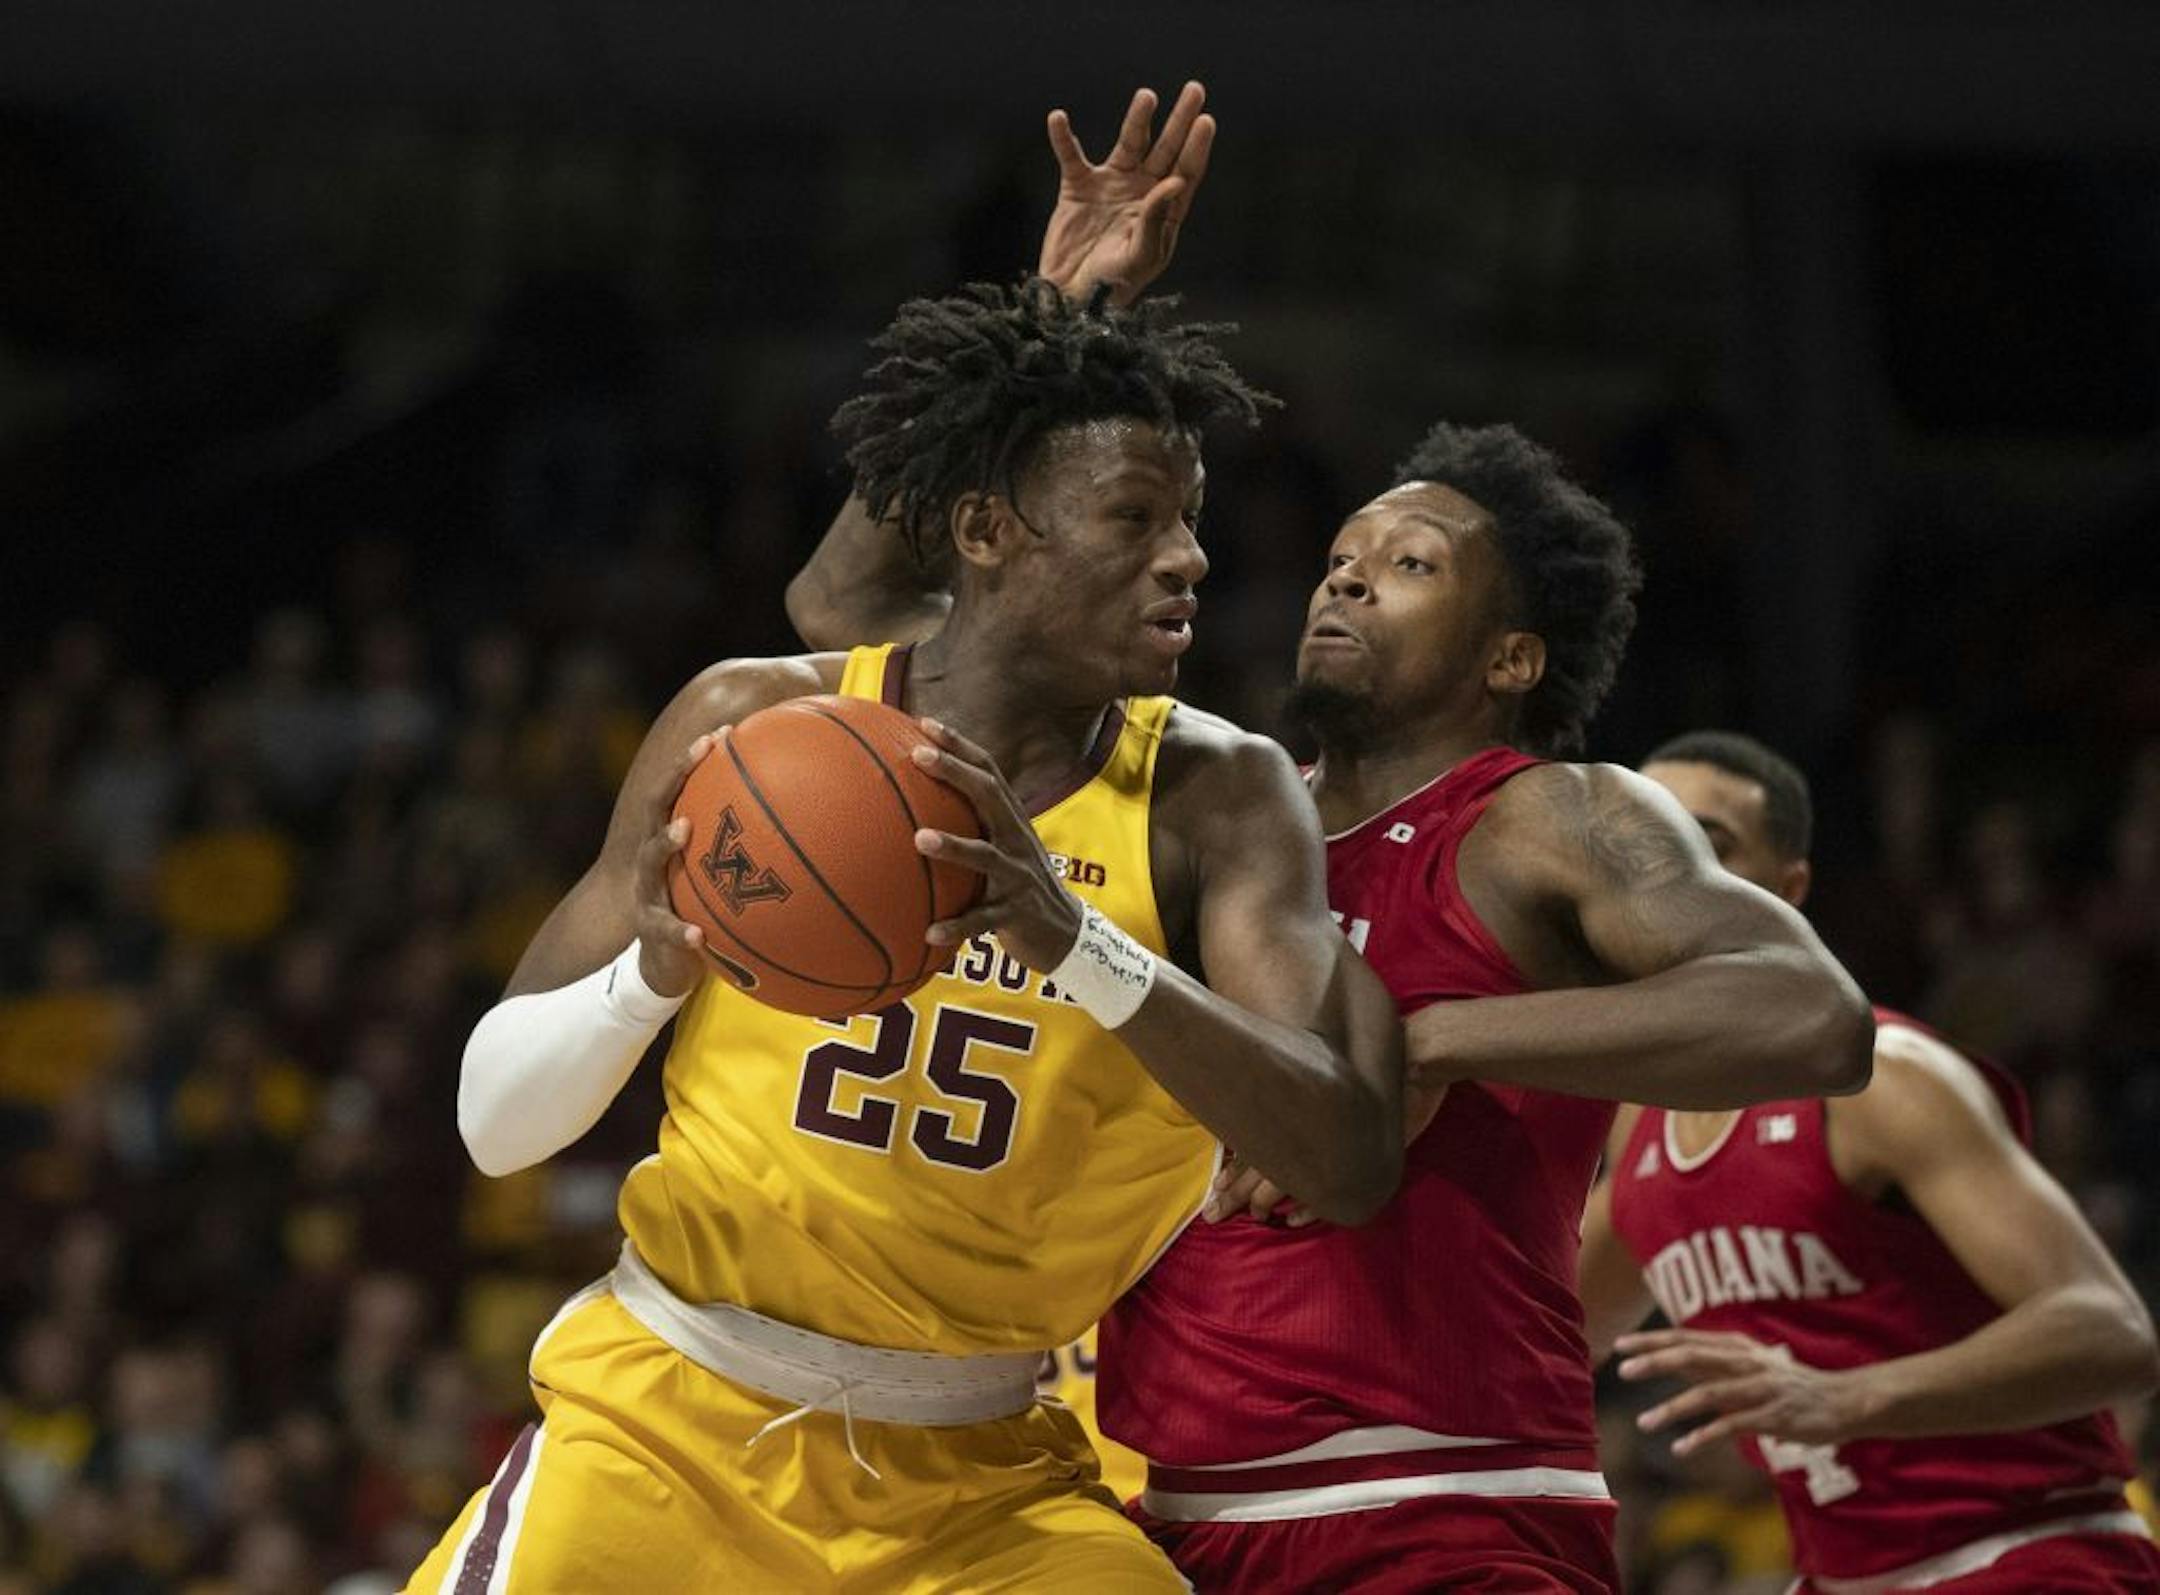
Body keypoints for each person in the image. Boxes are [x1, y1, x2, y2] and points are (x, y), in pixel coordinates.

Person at [790, 89, 1876, 1593]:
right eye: (1344, 554)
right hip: (1162, 1512)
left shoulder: (1542, 814)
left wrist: (1430, 1038)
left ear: (1507, 656)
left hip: (1442, 1500)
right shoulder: (1220, 815)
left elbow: (1810, 1015)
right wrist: (1049, 322)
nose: (1347, 582)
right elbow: (851, 619)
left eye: (1412, 565)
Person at [403, 173, 1406, 1595]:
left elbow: (1346, 1159)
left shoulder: (1217, 795)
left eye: (1192, 518)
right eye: (1134, 520)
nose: (1190, 557)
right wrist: (651, 974)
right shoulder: (754, 727)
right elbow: (493, 1125)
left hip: (982, 1470)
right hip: (669, 1417)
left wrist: (1078, 945)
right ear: (990, 532)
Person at [1581, 730, 2160, 1593]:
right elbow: (1537, 1338)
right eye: (1647, 844)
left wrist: (1844, 1396)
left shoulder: (1881, 1078)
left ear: (1789, 892)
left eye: (1713, 845)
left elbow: (2113, 1333)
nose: (1672, 873)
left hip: (2025, 1552)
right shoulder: (1637, 1128)